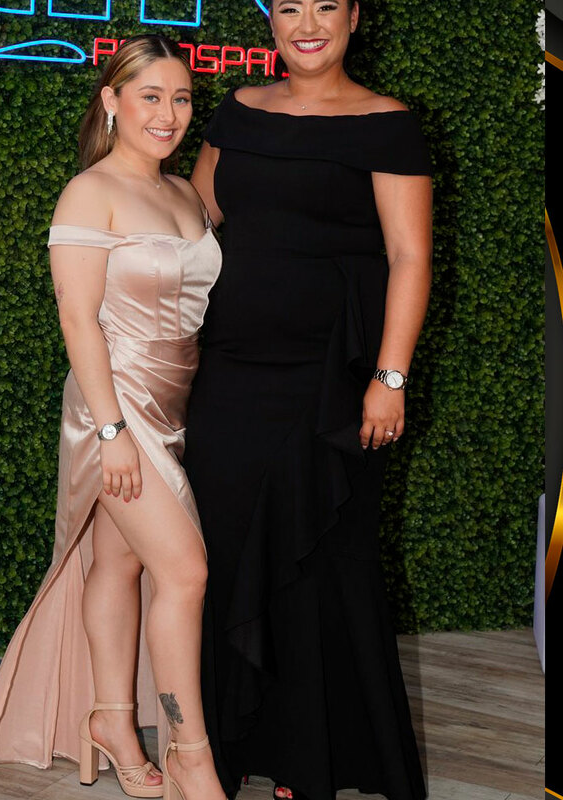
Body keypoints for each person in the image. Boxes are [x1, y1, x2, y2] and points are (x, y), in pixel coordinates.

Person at [0, 34, 226, 800]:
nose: (168, 114)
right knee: (187, 570)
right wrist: (110, 432)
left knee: (120, 563)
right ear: (111, 100)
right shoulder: (89, 192)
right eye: (150, 96)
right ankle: (190, 752)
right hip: (116, 409)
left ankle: (111, 721)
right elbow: (77, 320)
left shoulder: (184, 194)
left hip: (175, 407)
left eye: (181, 98)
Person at [185, 2, 433, 799]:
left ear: (354, 17)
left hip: (333, 381)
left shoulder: (386, 122)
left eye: (326, 4)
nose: (307, 22)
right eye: (289, 5)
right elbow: (195, 218)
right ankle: (224, 750)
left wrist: (389, 379)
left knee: (323, 562)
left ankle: (311, 761)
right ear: (272, 20)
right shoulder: (238, 110)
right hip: (229, 373)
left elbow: (409, 255)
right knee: (227, 552)